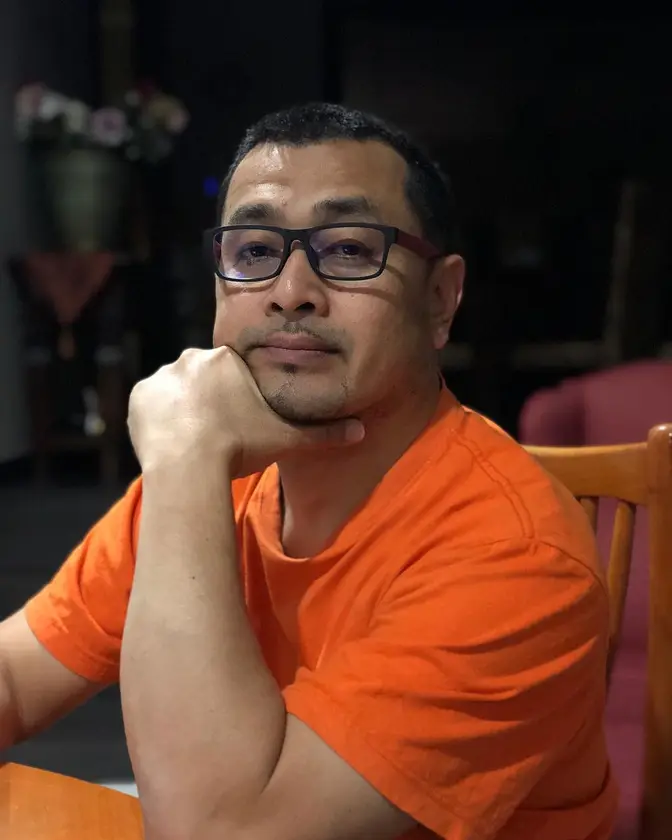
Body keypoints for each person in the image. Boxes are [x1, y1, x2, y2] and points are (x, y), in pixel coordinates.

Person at [0, 103, 616, 840]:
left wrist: (185, 455)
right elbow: (14, 677)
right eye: (255, 250)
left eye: (349, 249)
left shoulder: (516, 559)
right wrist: (191, 470)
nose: (290, 290)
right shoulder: (215, 484)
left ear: (439, 300)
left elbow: (219, 833)